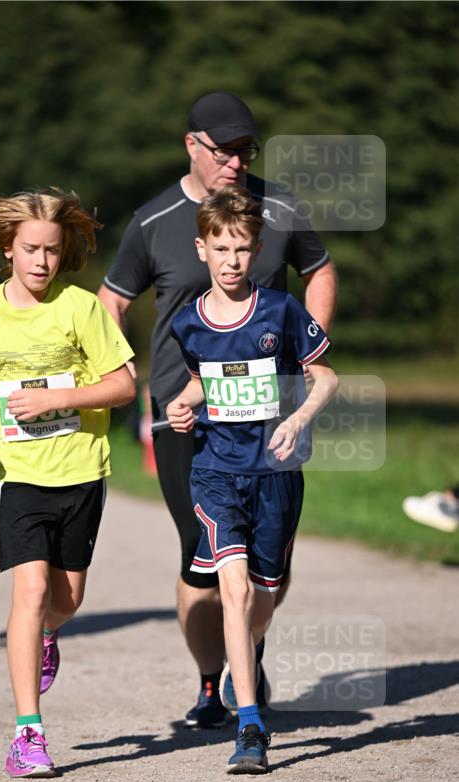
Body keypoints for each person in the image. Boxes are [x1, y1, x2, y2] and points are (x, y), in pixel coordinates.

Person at [98, 91, 337, 728]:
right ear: (192, 146)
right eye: (223, 149)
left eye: (244, 150)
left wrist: (306, 343)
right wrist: (120, 376)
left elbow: (320, 270)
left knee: (271, 571)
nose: (235, 160)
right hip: (186, 413)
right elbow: (111, 301)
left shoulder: (278, 207)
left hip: (271, 410)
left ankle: (246, 644)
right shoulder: (153, 221)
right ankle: (213, 684)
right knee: (199, 553)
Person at [0, 188, 135, 778]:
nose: (42, 262)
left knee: (64, 601)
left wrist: (62, 396)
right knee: (27, 593)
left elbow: (123, 385)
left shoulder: (80, 308)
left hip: (81, 471)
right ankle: (28, 733)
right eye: (31, 250)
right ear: (8, 250)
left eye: (52, 250)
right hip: (16, 475)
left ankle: (49, 635)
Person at [166, 187, 338, 772]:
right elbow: (200, 381)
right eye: (221, 248)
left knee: (261, 597)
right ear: (202, 249)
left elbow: (327, 378)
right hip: (216, 472)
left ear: (258, 251)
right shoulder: (188, 322)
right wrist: (181, 405)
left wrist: (297, 418)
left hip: (277, 475)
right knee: (232, 590)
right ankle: (250, 727)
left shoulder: (281, 312)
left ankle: (250, 648)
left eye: (242, 249)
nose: (232, 260)